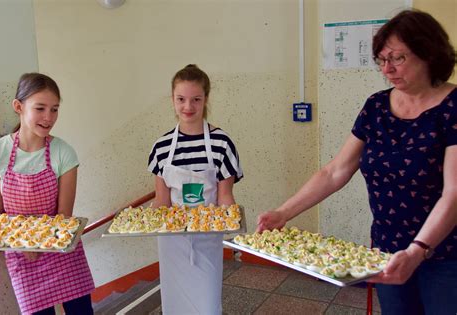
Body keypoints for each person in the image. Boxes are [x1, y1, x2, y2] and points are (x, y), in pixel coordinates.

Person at [257, 9, 456, 314]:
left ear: (428, 52)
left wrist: (418, 250)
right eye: (381, 59)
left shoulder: (452, 108)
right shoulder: (377, 106)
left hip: (444, 254)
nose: (387, 68)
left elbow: (453, 194)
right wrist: (284, 213)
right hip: (386, 250)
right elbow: (335, 171)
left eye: (397, 58)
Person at [0, 73, 95, 315]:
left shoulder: (63, 153)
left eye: (54, 109)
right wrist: (23, 243)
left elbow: (64, 216)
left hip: (63, 251)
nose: (48, 117)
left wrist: (40, 243)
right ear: (18, 107)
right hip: (23, 258)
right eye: (40, 108)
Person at [148, 64, 243, 314]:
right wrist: (142, 220)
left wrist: (235, 229)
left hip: (207, 239)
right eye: (181, 99)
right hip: (171, 242)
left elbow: (225, 197)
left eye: (196, 99)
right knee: (174, 304)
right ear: (172, 99)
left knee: (207, 304)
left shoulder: (222, 144)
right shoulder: (161, 147)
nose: (188, 107)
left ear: (206, 100)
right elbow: (162, 200)